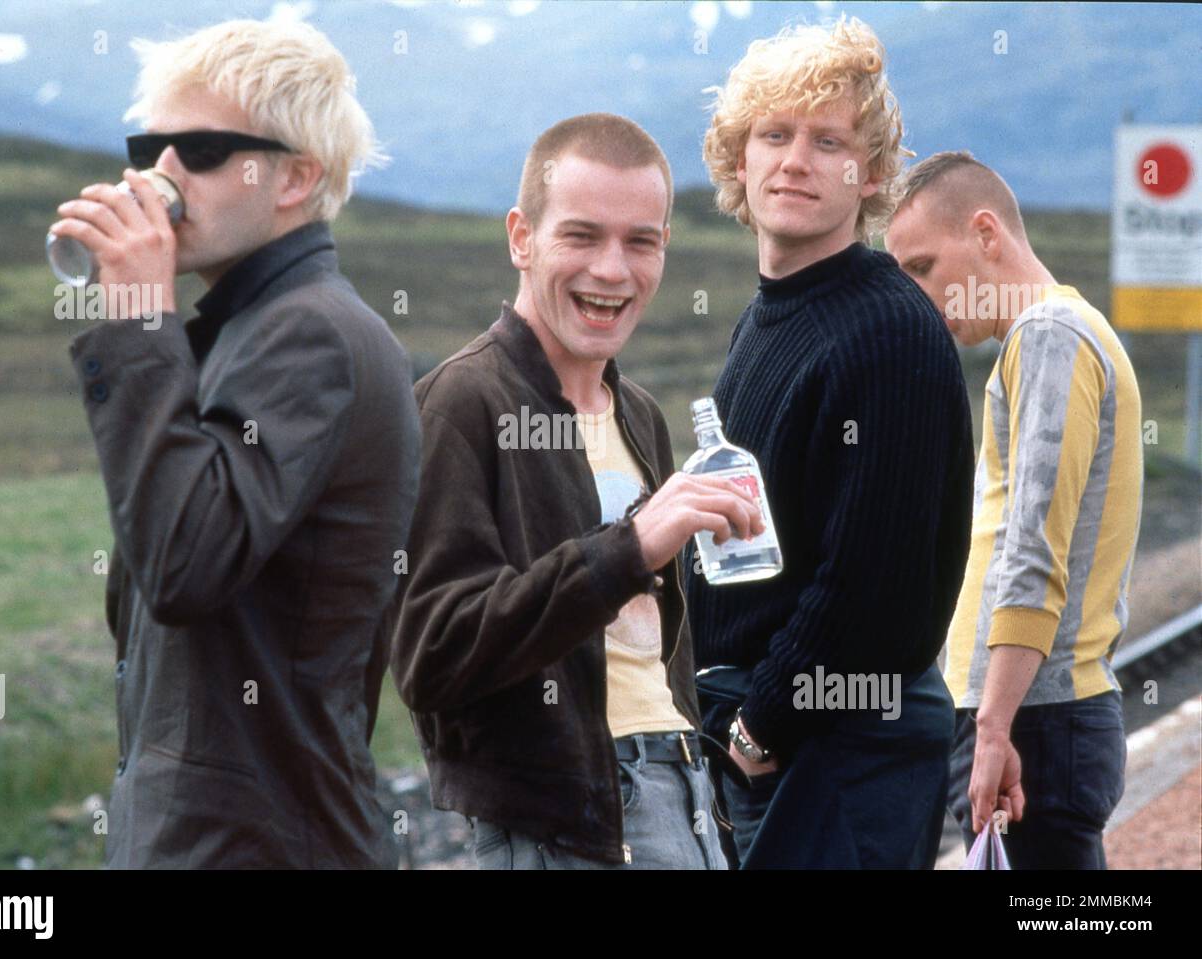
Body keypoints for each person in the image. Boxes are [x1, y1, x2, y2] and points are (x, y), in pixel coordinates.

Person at [52, 19, 419, 868]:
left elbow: (184, 562)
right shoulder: (250, 327)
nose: (162, 176)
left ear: (296, 177)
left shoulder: (310, 335)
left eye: (204, 149)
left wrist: (139, 319)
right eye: (150, 147)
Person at [390, 113, 763, 869]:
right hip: (566, 823)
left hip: (685, 793)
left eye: (641, 241)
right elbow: (432, 654)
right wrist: (627, 550)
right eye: (582, 236)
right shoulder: (459, 405)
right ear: (521, 239)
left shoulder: (641, 414)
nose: (613, 271)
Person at [687, 15, 975, 868]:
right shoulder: (769, 316)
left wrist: (757, 724)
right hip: (781, 742)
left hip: (837, 749)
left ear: (873, 171)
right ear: (740, 160)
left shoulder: (886, 329)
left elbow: (873, 586)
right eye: (772, 134)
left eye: (828, 140)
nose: (794, 159)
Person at [885, 150, 1142, 869]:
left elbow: (1033, 550)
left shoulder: (1050, 336)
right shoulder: (1061, 332)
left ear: (987, 235)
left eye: (922, 266)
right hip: (1042, 714)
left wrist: (994, 726)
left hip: (1036, 718)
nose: (915, 293)